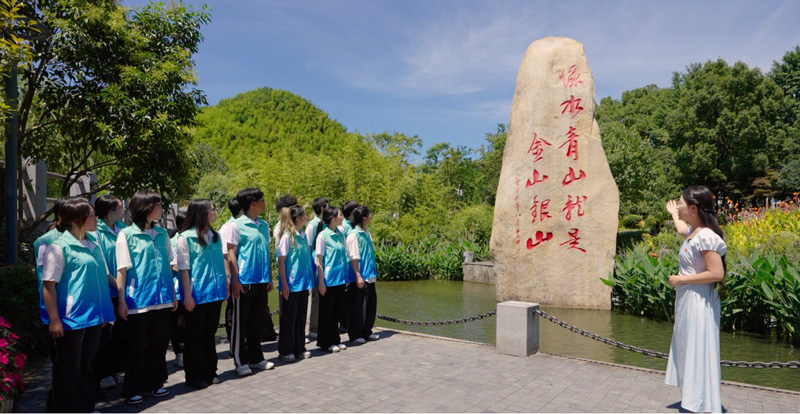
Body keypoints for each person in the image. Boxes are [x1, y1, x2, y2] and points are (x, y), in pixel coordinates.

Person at [41, 197, 116, 412]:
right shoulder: (59, 247)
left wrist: (104, 313)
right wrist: (55, 320)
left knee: (86, 365)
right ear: (77, 219)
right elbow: (48, 286)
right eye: (91, 215)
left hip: (94, 318)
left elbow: (100, 279)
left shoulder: (93, 244)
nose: (95, 218)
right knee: (68, 368)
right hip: (72, 320)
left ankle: (85, 406)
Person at [664, 186, 727, 414]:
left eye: (681, 203)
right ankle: (694, 400)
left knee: (697, 349)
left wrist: (683, 279)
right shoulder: (694, 232)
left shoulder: (707, 236)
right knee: (690, 348)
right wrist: (673, 214)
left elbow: (717, 274)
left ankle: (697, 402)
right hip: (689, 300)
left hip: (699, 302)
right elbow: (682, 229)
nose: (678, 206)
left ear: (693, 208)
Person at [115, 190, 177, 405]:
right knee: (137, 346)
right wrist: (122, 300)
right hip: (138, 300)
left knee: (159, 344)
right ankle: (133, 388)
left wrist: (174, 294)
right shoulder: (127, 235)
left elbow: (170, 264)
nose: (160, 209)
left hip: (163, 298)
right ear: (145, 208)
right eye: (157, 205)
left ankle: (155, 383)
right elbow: (121, 270)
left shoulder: (161, 233)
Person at [176, 200, 228, 389]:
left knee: (209, 334)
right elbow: (183, 269)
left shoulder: (216, 236)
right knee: (194, 336)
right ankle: (194, 375)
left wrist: (226, 284)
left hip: (215, 293)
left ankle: (210, 370)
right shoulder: (185, 238)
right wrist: (187, 296)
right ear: (202, 214)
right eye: (212, 210)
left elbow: (221, 263)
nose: (214, 213)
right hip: (197, 294)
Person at [225, 187, 275, 376]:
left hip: (260, 280)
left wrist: (269, 276)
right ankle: (240, 360)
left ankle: (257, 358)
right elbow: (231, 253)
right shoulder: (236, 225)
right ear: (253, 203)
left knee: (257, 322)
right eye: (262, 199)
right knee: (240, 323)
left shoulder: (263, 225)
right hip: (244, 281)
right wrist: (235, 280)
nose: (264, 202)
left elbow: (266, 252)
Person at [91, 195, 127, 390]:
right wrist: (117, 284)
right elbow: (102, 266)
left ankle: (117, 369)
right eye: (120, 207)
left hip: (123, 293)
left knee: (121, 334)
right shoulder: (95, 233)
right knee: (103, 338)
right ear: (110, 212)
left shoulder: (123, 230)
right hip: (106, 292)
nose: (123, 210)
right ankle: (103, 374)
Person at [276, 205, 315, 362]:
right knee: (288, 318)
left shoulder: (303, 235)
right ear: (299, 218)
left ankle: (300, 347)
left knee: (300, 318)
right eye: (304, 215)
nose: (306, 218)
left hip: (303, 283)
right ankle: (285, 350)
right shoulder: (287, 237)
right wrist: (284, 284)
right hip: (292, 284)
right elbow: (281, 262)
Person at [314, 206, 349, 353]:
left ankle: (335, 339)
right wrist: (321, 281)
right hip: (328, 279)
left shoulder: (340, 233)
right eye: (340, 215)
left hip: (340, 279)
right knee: (326, 312)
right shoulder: (323, 236)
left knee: (337, 311)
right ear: (333, 218)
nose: (342, 217)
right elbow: (318, 259)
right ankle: (325, 341)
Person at [346, 205, 380, 344]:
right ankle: (355, 334)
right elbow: (353, 257)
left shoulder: (366, 232)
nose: (371, 217)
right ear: (364, 218)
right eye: (369, 215)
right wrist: (358, 275)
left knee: (370, 305)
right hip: (361, 275)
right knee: (359, 306)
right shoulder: (353, 235)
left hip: (370, 274)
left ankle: (367, 331)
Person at [304, 197, 329, 340]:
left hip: (326, 266)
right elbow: (308, 247)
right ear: (322, 209)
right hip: (315, 265)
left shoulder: (325, 224)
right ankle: (313, 327)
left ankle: (323, 325)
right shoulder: (312, 226)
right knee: (316, 297)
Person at [220, 198, 243, 343]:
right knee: (233, 309)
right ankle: (233, 341)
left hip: (242, 276)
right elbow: (225, 254)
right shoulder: (229, 227)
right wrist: (229, 279)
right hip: (234, 276)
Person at [169, 212, 187, 369]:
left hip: (190, 288)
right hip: (178, 289)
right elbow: (174, 266)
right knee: (179, 325)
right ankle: (179, 354)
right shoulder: (174, 241)